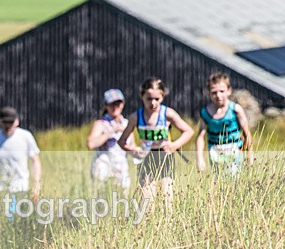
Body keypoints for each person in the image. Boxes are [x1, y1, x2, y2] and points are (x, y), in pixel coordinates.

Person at [118, 77, 194, 212]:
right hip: (146, 160)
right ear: (142, 96)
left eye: (157, 99)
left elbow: (188, 131)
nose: (153, 103)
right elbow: (122, 141)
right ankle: (148, 228)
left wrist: (174, 145)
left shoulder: (167, 113)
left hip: (165, 159)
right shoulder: (136, 117)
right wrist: (133, 150)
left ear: (162, 97)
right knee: (147, 201)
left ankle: (168, 228)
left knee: (167, 200)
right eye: (149, 99)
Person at [195, 72, 253, 175]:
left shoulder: (235, 110)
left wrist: (250, 156)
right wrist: (200, 158)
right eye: (214, 92)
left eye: (222, 91)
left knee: (233, 181)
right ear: (209, 93)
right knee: (219, 183)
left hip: (234, 151)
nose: (218, 95)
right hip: (216, 154)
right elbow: (200, 137)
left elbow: (246, 133)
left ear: (229, 90)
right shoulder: (206, 113)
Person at [86, 88, 135, 194]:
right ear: (106, 105)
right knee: (101, 199)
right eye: (111, 104)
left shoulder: (127, 124)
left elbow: (133, 148)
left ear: (123, 104)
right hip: (103, 167)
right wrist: (112, 130)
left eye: (118, 103)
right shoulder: (101, 123)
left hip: (121, 168)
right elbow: (90, 144)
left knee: (122, 200)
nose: (115, 107)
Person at [0, 106, 41, 206]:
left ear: (17, 121)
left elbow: (35, 161)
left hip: (20, 188)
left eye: (11, 122)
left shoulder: (26, 136)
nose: (8, 125)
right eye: (5, 122)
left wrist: (36, 184)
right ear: (0, 122)